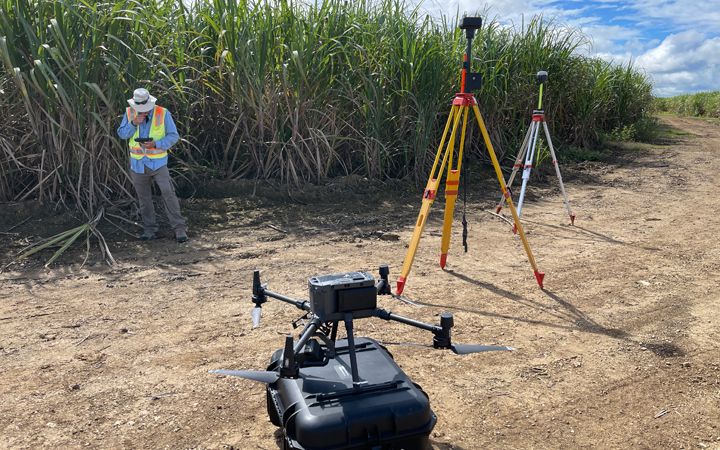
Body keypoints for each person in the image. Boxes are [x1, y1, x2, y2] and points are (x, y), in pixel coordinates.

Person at [117, 88, 188, 243]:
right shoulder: (130, 113)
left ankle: (179, 229)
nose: (142, 111)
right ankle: (150, 229)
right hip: (137, 164)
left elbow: (173, 135)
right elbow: (122, 134)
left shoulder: (163, 113)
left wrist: (156, 144)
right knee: (144, 199)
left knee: (168, 193)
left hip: (158, 164)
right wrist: (133, 124)